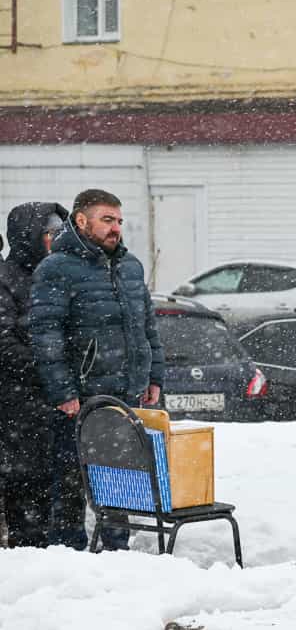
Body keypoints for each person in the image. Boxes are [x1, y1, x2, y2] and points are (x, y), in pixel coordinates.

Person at [29, 189, 165, 550]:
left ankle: (115, 551)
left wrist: (154, 376)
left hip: (124, 395)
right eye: (107, 219)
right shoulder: (56, 268)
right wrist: (64, 392)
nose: (115, 228)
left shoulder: (130, 266)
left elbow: (147, 327)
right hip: (82, 398)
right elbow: (46, 332)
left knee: (119, 479)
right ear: (81, 220)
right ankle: (69, 555)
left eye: (119, 221)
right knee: (73, 482)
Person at [0, 203, 68, 548]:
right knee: (26, 482)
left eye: (61, 233)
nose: (56, 240)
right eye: (50, 234)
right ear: (29, 236)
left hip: (58, 402)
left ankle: (58, 550)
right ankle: (29, 552)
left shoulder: (58, 275)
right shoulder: (6, 278)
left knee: (62, 484)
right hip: (20, 405)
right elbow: (5, 343)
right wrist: (50, 370)